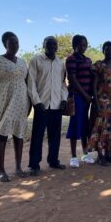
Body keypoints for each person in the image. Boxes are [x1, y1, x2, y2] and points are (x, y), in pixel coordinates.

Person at [0, 32, 30, 182]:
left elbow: (26, 82)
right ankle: (1, 170)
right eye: (12, 43)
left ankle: (18, 167)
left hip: (21, 103)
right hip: (4, 103)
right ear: (5, 44)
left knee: (19, 135)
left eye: (17, 43)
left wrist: (29, 103)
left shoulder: (23, 62)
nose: (15, 46)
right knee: (2, 136)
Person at [27, 36, 68, 176]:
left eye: (54, 44)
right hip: (41, 105)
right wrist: (36, 102)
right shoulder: (36, 61)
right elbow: (31, 83)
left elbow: (63, 84)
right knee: (37, 135)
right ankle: (34, 165)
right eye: (48, 44)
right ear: (43, 45)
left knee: (55, 136)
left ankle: (53, 160)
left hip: (57, 105)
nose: (52, 46)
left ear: (57, 47)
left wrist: (64, 99)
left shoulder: (61, 64)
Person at [89, 41, 111, 166]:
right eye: (107, 49)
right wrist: (96, 103)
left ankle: (109, 153)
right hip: (103, 102)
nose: (110, 52)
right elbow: (95, 85)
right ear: (103, 51)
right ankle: (100, 154)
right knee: (101, 128)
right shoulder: (99, 65)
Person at [66, 35, 95, 168]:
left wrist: (89, 96)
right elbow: (72, 79)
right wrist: (85, 95)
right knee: (75, 125)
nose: (83, 47)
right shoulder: (71, 59)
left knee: (84, 125)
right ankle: (73, 156)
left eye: (85, 45)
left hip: (86, 98)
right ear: (75, 45)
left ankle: (85, 153)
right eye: (81, 45)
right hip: (77, 96)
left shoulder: (88, 60)